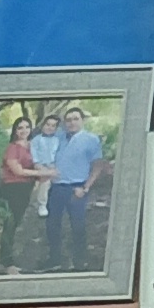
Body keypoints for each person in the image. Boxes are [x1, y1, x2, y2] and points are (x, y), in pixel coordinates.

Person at [46, 106, 109, 273]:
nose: (72, 122)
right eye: (68, 120)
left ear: (82, 120)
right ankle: (54, 260)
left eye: (75, 119)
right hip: (57, 187)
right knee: (52, 225)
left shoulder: (91, 139)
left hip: (77, 188)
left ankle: (80, 262)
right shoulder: (58, 137)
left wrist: (86, 187)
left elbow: (97, 165)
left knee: (78, 226)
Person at [0, 107, 47, 273]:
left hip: (26, 189)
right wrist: (43, 173)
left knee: (17, 224)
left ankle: (11, 259)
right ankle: (6, 262)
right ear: (15, 131)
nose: (24, 131)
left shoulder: (33, 146)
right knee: (10, 224)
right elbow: (18, 171)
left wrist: (43, 173)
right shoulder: (12, 148)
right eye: (20, 128)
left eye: (27, 127)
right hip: (12, 188)